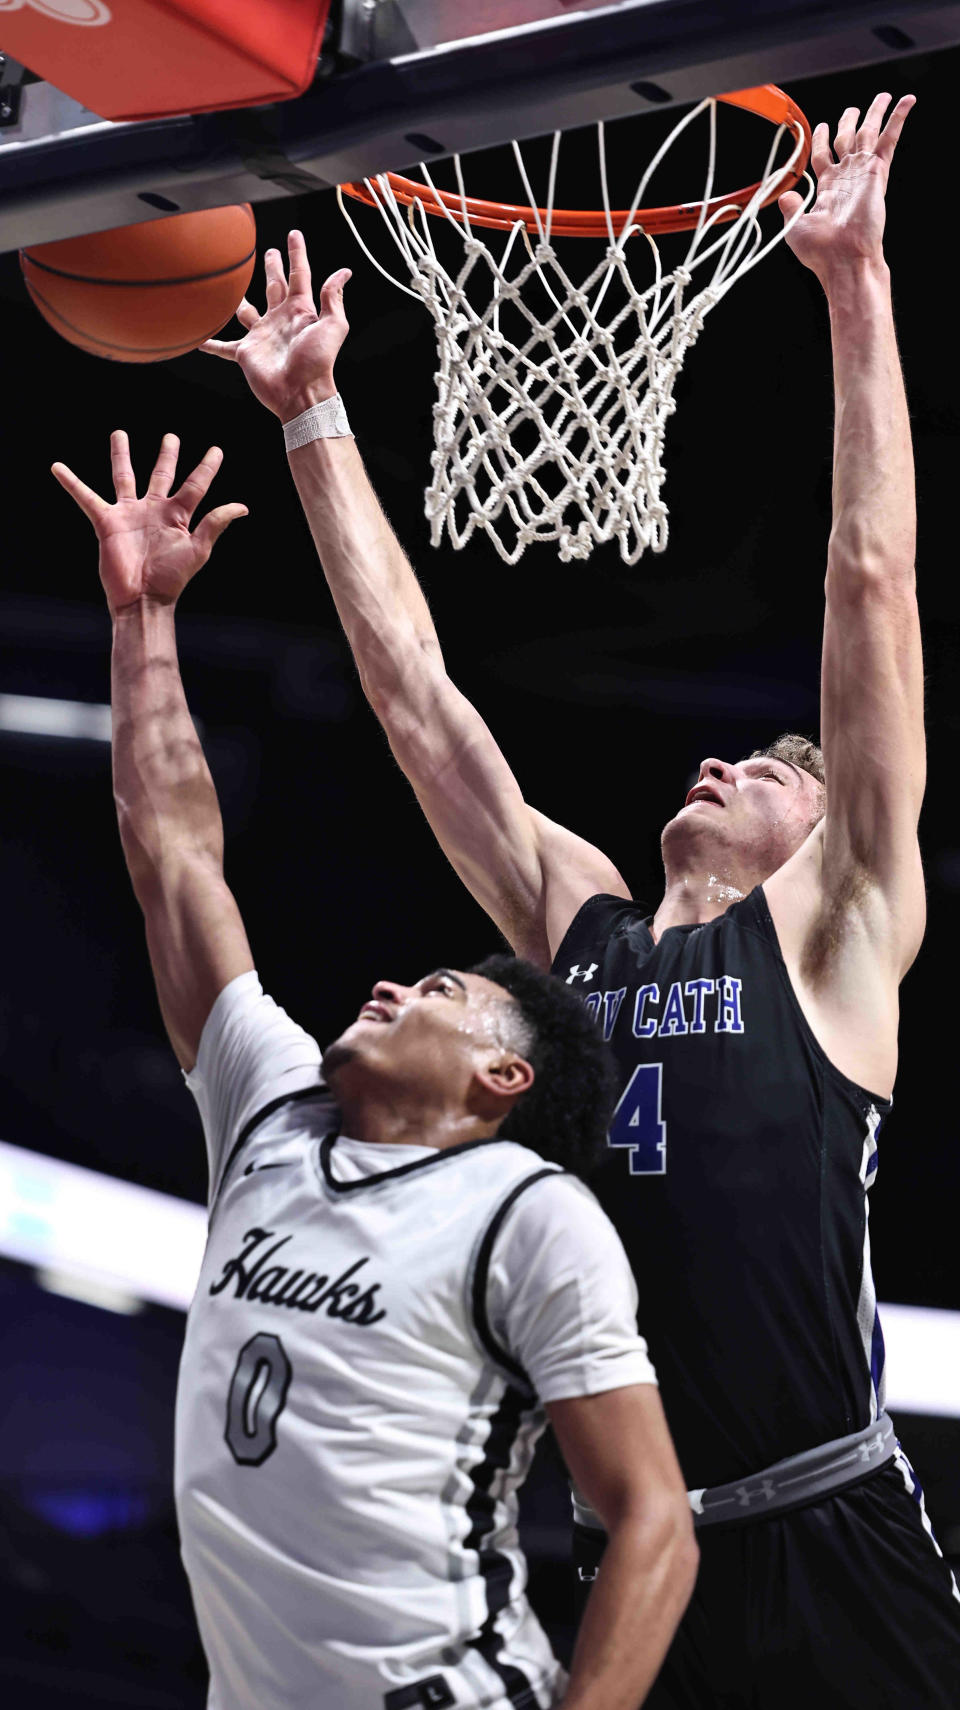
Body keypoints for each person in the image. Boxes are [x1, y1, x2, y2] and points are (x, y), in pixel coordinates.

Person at [201, 88, 960, 1704]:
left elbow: (871, 578)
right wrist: (315, 418)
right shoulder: (586, 935)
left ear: (830, 836)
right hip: (633, 1555)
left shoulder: (831, 944)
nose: (723, 770)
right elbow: (419, 708)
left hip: (833, 1538)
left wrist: (854, 286)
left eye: (773, 771)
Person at [50, 430, 697, 1710]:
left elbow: (653, 1524)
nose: (395, 985)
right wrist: (142, 619)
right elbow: (175, 854)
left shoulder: (532, 1215)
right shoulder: (273, 1108)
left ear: (502, 1083)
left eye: (445, 991)